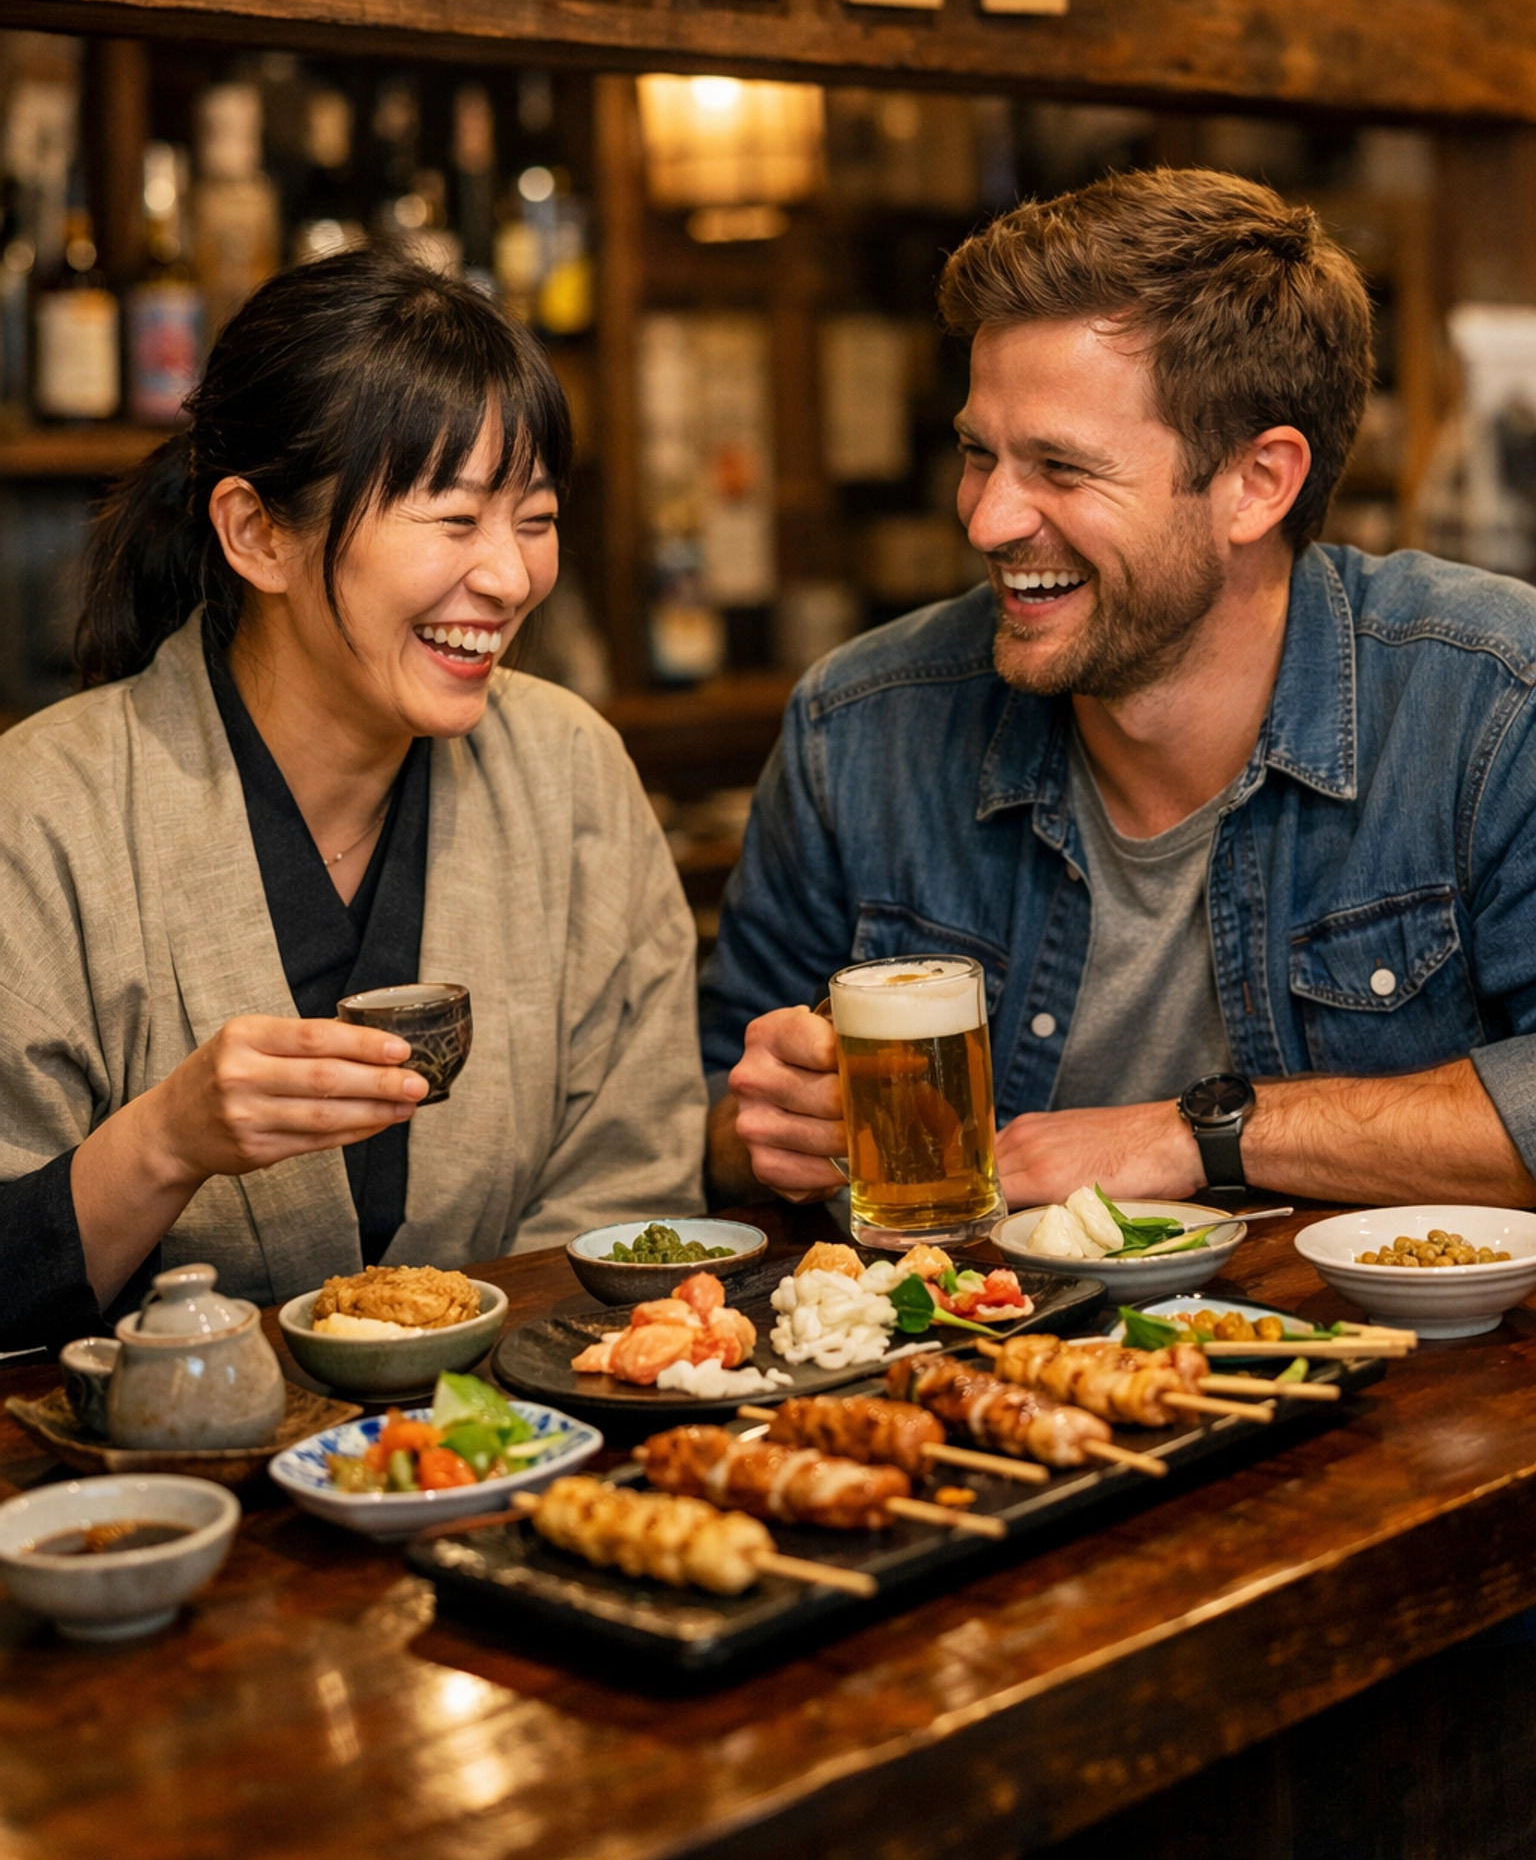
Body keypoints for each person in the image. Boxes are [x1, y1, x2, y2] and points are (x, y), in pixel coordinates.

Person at [703, 168, 1536, 1217]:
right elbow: (711, 1120)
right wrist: (766, 1126)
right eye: (978, 454)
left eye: (1061, 467)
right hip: (975, 1365)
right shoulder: (859, 725)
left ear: (1257, 483)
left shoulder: (1495, 701)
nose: (989, 520)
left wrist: (1197, 1138)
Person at [0, 247, 705, 1352]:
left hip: (528, 1444)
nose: (511, 578)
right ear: (256, 533)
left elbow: (633, 1193)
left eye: (535, 517)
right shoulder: (42, 811)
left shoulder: (571, 772)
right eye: (454, 518)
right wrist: (165, 1142)